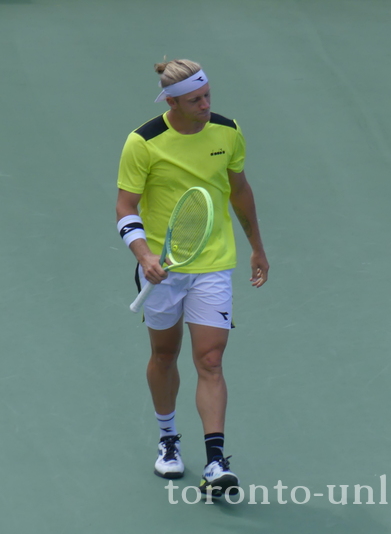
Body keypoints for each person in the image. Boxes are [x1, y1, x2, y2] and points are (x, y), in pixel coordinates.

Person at [115, 59, 269, 497]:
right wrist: (143, 254)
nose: (205, 105)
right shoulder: (143, 143)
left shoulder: (227, 131)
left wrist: (257, 246)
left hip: (214, 262)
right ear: (172, 102)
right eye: (195, 100)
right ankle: (168, 440)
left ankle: (216, 461)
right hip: (162, 270)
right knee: (164, 356)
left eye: (207, 96)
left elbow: (239, 190)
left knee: (210, 360)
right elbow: (126, 206)